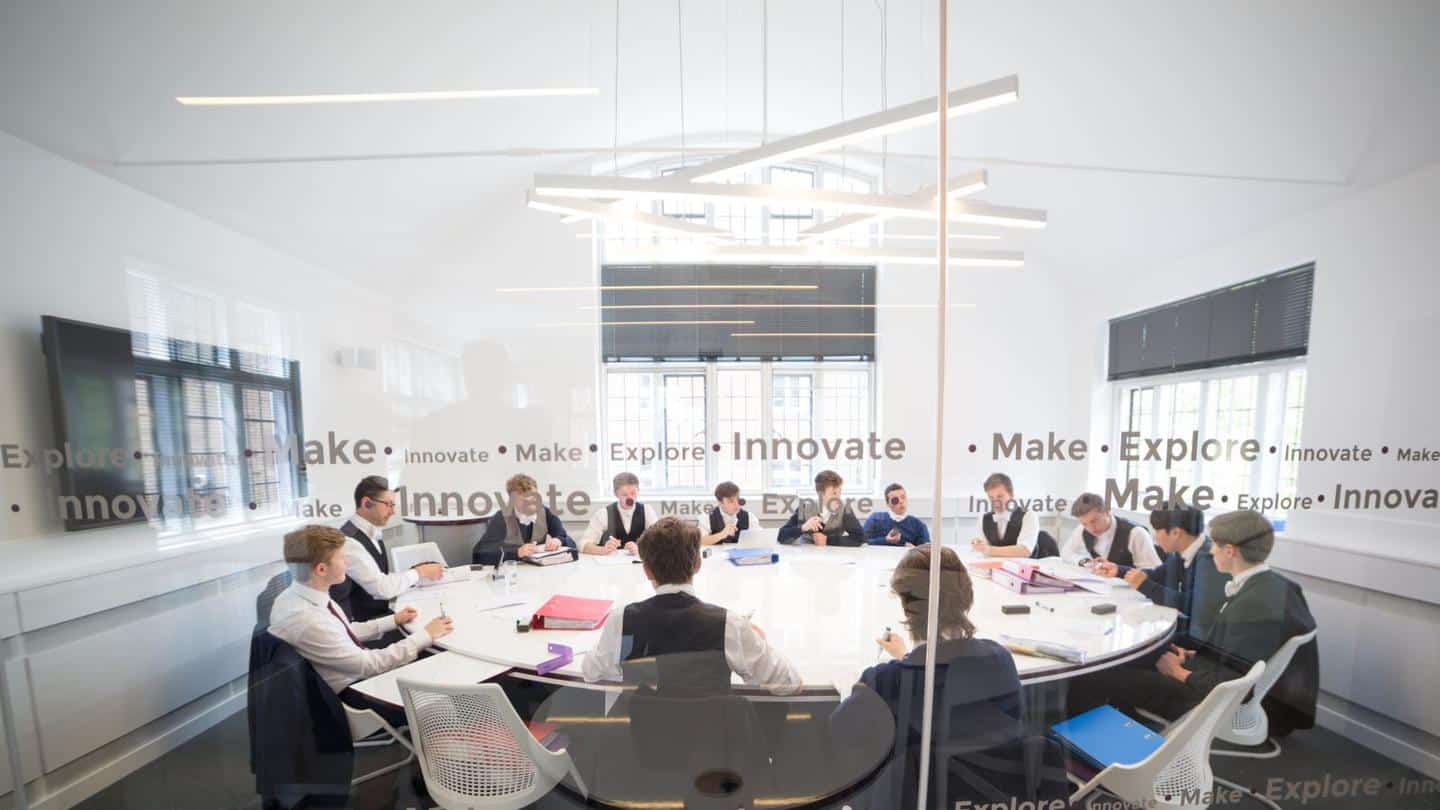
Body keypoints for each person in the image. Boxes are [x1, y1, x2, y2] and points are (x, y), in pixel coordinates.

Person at [831, 546, 1049, 808]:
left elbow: (840, 732)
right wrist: (906, 659)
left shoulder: (888, 680)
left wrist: (867, 682)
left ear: (906, 606)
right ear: (966, 596)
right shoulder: (999, 659)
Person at [1069, 511, 1319, 735]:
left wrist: (1178, 671)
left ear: (1230, 551)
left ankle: (1138, 755)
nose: (1211, 551)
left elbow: (1231, 684)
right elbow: (1238, 651)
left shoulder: (1252, 603)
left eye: (1216, 546)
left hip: (1216, 702)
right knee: (1138, 662)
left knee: (1098, 678)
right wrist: (1193, 653)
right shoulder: (1276, 586)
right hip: (1229, 685)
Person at [581, 516, 802, 694]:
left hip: (644, 737)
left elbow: (590, 672)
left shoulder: (621, 619)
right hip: (714, 740)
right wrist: (757, 641)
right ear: (697, 565)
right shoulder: (730, 625)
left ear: (646, 570)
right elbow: (789, 683)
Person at [269, 524, 454, 727]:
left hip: (349, 675)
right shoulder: (308, 620)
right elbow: (367, 666)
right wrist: (424, 635)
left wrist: (392, 621)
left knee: (431, 661)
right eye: (341, 558)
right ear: (321, 569)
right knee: (450, 692)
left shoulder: (295, 597)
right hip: (356, 695)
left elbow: (341, 631)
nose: (347, 562)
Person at [1091, 502, 1229, 641]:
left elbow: (1193, 606)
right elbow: (1159, 575)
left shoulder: (1210, 560)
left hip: (1204, 638)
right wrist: (1119, 571)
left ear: (1176, 533)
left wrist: (1145, 586)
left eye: (1157, 531)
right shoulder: (1181, 550)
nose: (1155, 537)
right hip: (1188, 626)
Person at [330, 475, 443, 621]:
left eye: (393, 505)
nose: (392, 511)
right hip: (368, 627)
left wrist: (414, 572)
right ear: (367, 503)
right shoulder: (349, 543)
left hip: (382, 616)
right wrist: (419, 572)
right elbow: (382, 588)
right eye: (388, 504)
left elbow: (378, 575)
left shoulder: (371, 532)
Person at [472, 473, 576, 566]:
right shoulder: (501, 518)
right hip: (511, 573)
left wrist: (558, 540)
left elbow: (570, 542)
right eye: (525, 500)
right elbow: (481, 554)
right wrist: (516, 552)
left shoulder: (546, 513)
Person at [1059, 492, 1162, 570]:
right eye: (1085, 524)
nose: (1091, 528)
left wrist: (1120, 571)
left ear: (1107, 511)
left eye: (1094, 521)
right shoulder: (1083, 529)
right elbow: (1066, 552)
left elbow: (1153, 571)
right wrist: (1084, 561)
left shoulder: (1136, 533)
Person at [777, 469, 865, 546]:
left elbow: (860, 538)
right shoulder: (804, 508)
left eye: (839, 492)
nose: (838, 497)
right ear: (820, 494)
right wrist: (802, 528)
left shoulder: (845, 510)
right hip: (807, 558)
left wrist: (827, 540)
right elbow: (781, 537)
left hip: (835, 558)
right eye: (833, 493)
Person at [969, 473, 1041, 558]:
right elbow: (983, 550)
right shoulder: (983, 519)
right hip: (993, 568)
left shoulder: (1028, 516)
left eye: (1000, 496)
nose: (995, 502)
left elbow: (1025, 551)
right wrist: (978, 545)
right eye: (991, 497)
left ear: (1011, 495)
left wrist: (988, 549)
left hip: (1023, 569)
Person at [580, 471, 652, 555]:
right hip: (609, 564)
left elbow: (659, 541)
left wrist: (640, 549)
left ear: (638, 491)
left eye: (633, 493)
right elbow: (583, 544)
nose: (630, 498)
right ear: (616, 494)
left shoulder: (647, 511)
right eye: (624, 494)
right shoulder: (604, 514)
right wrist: (603, 550)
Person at [863, 483, 931, 546]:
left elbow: (926, 550)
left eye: (903, 497)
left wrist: (914, 550)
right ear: (888, 504)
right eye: (895, 500)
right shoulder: (875, 519)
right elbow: (863, 542)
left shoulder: (918, 525)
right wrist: (885, 540)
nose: (901, 502)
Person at [702, 481, 752, 546]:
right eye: (731, 501)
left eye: (738, 499)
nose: (737, 505)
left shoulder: (749, 516)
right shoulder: (707, 517)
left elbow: (760, 538)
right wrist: (722, 534)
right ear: (720, 502)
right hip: (716, 555)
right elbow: (701, 541)